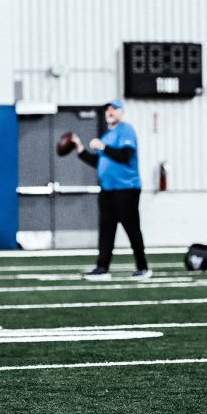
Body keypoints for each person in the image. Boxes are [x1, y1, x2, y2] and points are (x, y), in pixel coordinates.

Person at [71, 99, 151, 280]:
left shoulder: (125, 130)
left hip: (126, 189)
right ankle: (102, 268)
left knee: (132, 228)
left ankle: (143, 267)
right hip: (107, 190)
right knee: (106, 230)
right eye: (108, 109)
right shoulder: (107, 135)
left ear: (121, 112)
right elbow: (99, 163)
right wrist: (80, 149)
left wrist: (103, 147)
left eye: (114, 109)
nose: (110, 111)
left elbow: (125, 155)